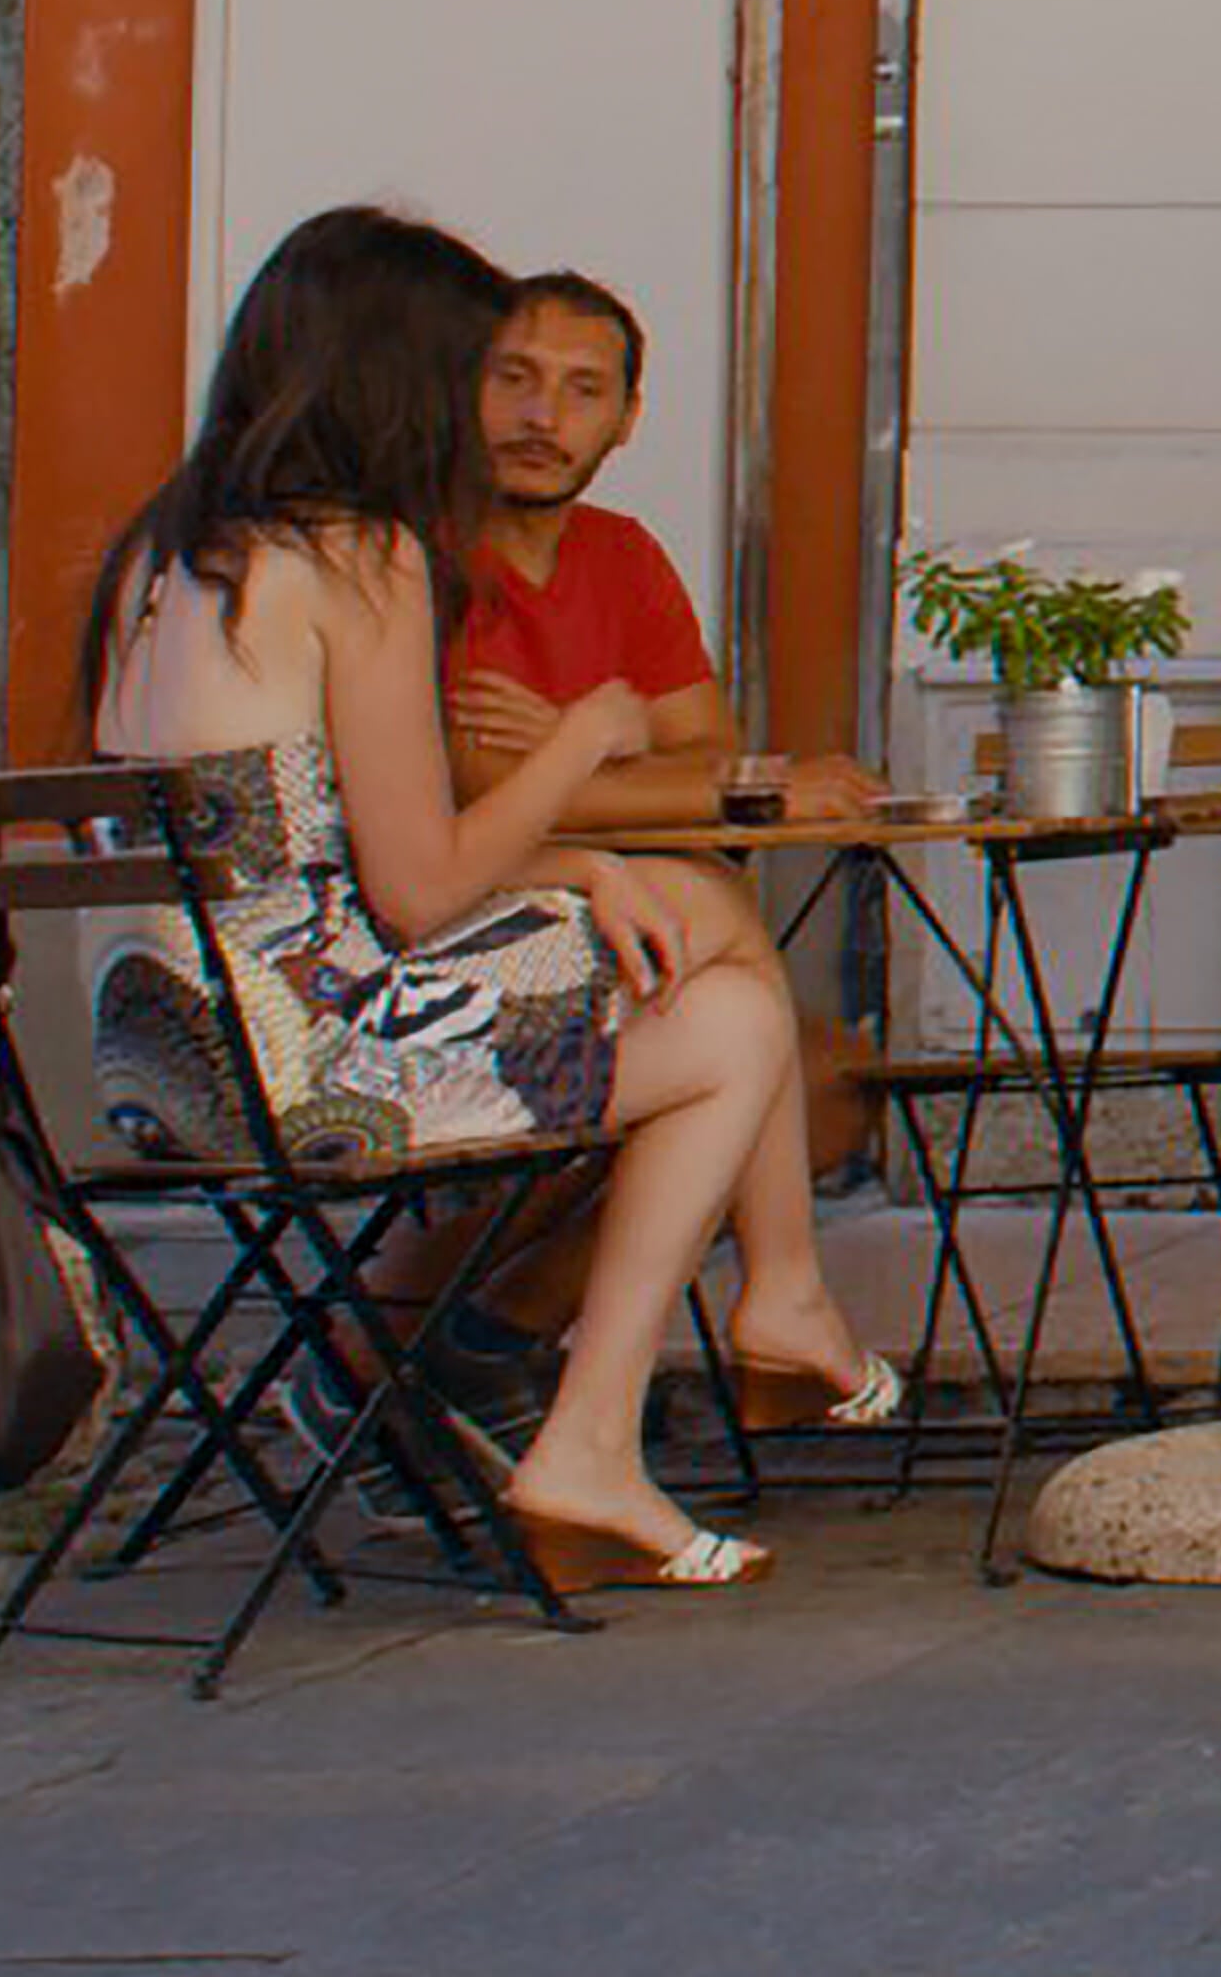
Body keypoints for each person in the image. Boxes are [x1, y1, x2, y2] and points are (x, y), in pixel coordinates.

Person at [81, 205, 894, 1596]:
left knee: (688, 922)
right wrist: (583, 741)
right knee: (735, 1027)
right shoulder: (361, 560)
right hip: (310, 1055)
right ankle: (601, 1425)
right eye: (472, 369)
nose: (484, 408)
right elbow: (417, 890)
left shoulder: (167, 556)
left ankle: (749, 1319)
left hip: (161, 1049)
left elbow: (306, 850)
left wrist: (583, 866)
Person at [451, 272, 892, 1186]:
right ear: (463, 386)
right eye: (515, 378)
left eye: (584, 390)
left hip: (631, 935)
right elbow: (478, 791)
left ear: (627, 417)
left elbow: (706, 749)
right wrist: (747, 786)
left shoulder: (623, 554)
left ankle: (479, 1301)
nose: (544, 417)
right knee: (771, 1057)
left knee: (836, 1082)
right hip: (471, 935)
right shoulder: (423, 560)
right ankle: (458, 1303)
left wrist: (578, 748)